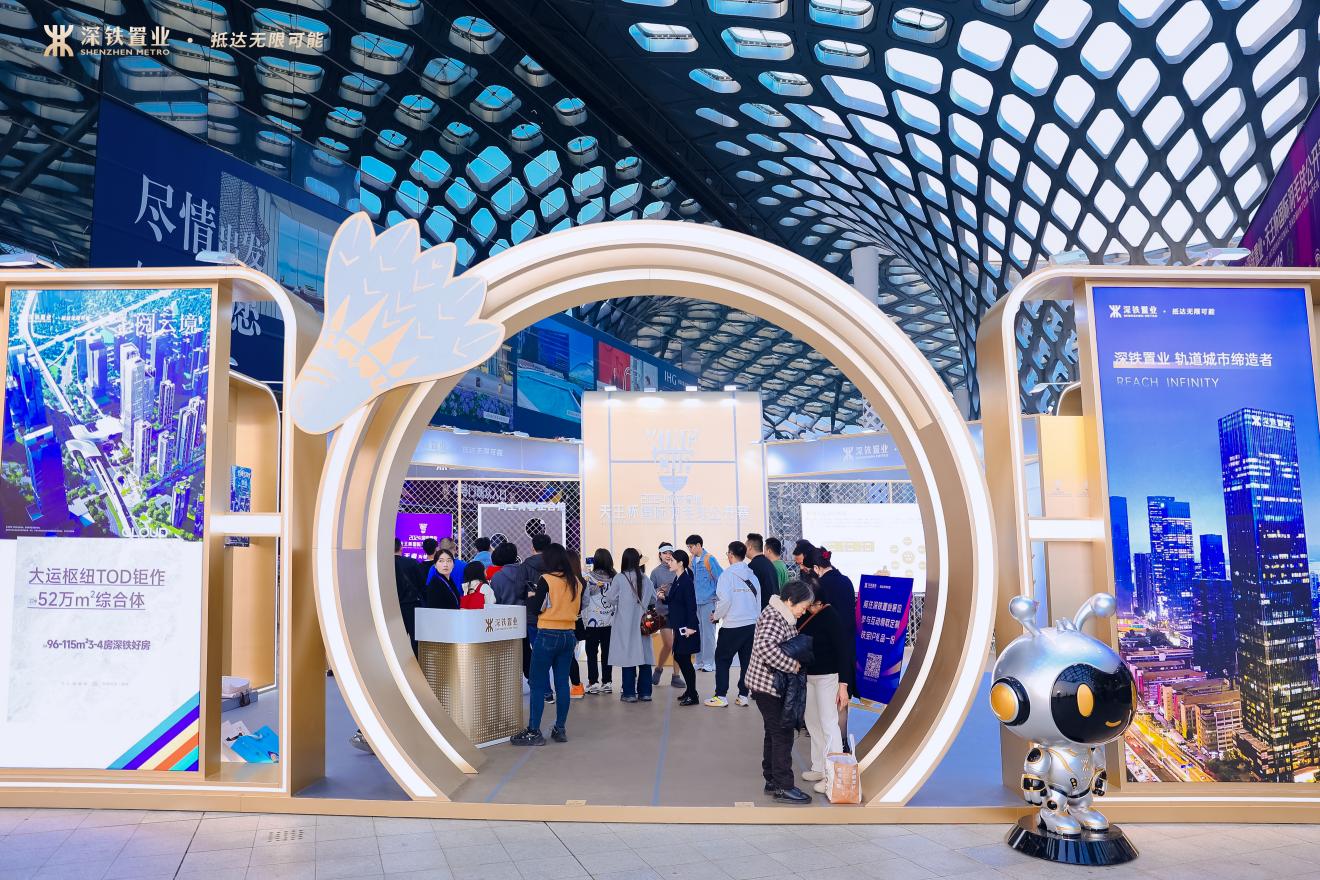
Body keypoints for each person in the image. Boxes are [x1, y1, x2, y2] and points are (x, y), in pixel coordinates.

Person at [747, 579, 815, 803]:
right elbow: (764, 647)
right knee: (782, 734)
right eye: (802, 607)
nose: (804, 611)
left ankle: (772, 779)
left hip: (768, 685)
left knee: (773, 732)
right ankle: (784, 786)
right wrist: (792, 665)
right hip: (767, 686)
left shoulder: (781, 614)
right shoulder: (774, 616)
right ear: (790, 601)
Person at [512, 543, 584, 746]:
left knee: (537, 683)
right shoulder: (576, 582)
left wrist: (532, 597)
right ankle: (560, 729)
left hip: (547, 634)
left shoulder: (546, 580)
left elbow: (536, 609)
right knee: (562, 683)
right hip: (568, 635)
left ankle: (533, 731)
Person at [796, 584, 852, 793]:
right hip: (808, 676)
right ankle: (819, 767)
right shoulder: (804, 615)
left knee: (829, 724)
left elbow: (843, 652)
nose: (808, 608)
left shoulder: (831, 616)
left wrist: (843, 685)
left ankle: (835, 776)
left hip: (828, 677)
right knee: (812, 722)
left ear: (821, 602)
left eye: (813, 604)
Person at [706, 541, 759, 708]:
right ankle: (743, 695)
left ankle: (721, 696)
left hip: (732, 625)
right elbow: (758, 601)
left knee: (722, 659)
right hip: (751, 624)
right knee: (746, 661)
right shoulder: (753, 576)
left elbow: (725, 601)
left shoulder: (726, 575)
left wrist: (716, 616)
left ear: (730, 554)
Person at [812, 547, 857, 745]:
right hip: (848, 644)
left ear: (816, 567)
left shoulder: (820, 586)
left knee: (826, 707)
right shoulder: (846, 580)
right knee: (843, 696)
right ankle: (843, 740)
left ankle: (833, 746)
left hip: (828, 651)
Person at [607, 548, 656, 702]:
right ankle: (645, 693)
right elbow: (654, 599)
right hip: (643, 625)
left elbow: (610, 599)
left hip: (625, 625)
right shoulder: (646, 579)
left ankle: (629, 694)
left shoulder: (620, 578)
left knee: (628, 657)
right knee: (645, 658)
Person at [665, 549, 701, 705]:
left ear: (680, 563)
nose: (669, 562)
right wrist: (664, 598)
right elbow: (675, 600)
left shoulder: (686, 581)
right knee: (681, 657)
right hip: (679, 626)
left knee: (683, 659)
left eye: (672, 560)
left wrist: (691, 627)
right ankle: (691, 691)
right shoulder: (678, 578)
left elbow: (691, 605)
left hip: (686, 628)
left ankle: (693, 695)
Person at [686, 534, 722, 671]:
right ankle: (699, 661)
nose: (689, 550)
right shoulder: (691, 560)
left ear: (699, 545)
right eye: (688, 547)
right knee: (697, 632)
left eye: (691, 547)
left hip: (708, 602)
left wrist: (716, 597)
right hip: (695, 603)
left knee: (708, 634)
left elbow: (721, 577)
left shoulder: (709, 559)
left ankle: (709, 662)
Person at [582, 549, 616, 694]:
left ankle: (593, 682)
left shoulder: (588, 577)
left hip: (592, 622)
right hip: (610, 621)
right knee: (607, 652)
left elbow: (585, 599)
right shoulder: (615, 578)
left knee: (591, 652)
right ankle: (607, 682)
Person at [650, 542, 683, 688]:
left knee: (678, 645)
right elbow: (650, 593)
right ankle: (659, 668)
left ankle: (676, 676)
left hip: (678, 611)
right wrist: (659, 591)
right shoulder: (655, 572)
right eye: (665, 553)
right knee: (669, 644)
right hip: (662, 612)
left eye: (670, 552)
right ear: (660, 555)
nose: (668, 555)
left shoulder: (678, 569)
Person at [746, 533, 778, 609]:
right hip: (773, 607)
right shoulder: (769, 563)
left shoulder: (753, 566)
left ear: (750, 547)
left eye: (745, 546)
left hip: (762, 609)